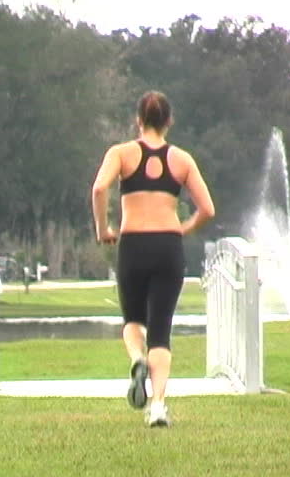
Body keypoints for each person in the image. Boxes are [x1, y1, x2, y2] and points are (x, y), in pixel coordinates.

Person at [91, 90, 215, 427]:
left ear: (138, 120)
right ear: (169, 122)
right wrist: (185, 228)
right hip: (167, 247)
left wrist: (104, 229)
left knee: (133, 321)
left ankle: (136, 360)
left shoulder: (121, 153)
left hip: (133, 245)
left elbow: (99, 189)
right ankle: (158, 406)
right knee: (161, 331)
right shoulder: (182, 160)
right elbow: (208, 209)